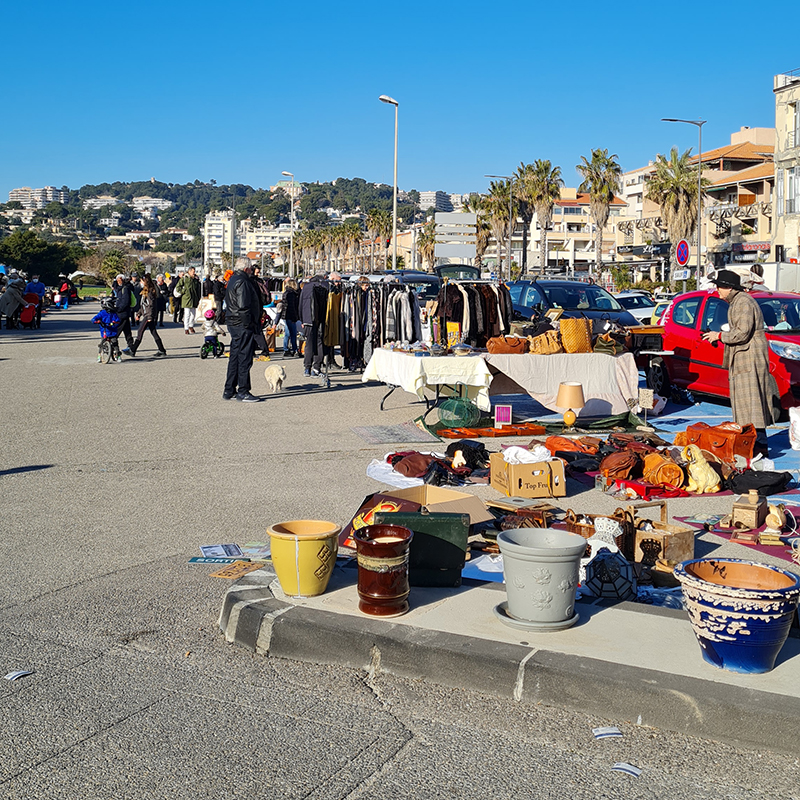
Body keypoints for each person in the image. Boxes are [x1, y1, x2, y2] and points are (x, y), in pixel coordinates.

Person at [702, 269, 776, 457]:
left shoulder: (743, 302)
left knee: (751, 406)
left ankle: (757, 449)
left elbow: (742, 332)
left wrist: (719, 335)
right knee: (749, 407)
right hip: (746, 356)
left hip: (749, 358)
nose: (717, 291)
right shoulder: (739, 301)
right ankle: (754, 448)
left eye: (719, 287)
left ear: (728, 287)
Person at [223, 257, 262, 402]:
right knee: (244, 357)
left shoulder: (234, 279)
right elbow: (243, 305)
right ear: (246, 268)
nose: (252, 271)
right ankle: (243, 390)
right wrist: (249, 324)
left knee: (235, 355)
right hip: (242, 323)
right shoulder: (242, 281)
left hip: (234, 321)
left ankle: (229, 389)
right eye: (251, 268)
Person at [127, 274, 167, 358]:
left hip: (149, 315)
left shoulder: (150, 292)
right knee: (153, 332)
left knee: (140, 331)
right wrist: (138, 314)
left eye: (142, 281)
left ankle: (133, 350)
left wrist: (149, 317)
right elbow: (143, 305)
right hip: (147, 314)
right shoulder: (145, 291)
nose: (140, 282)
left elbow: (151, 305)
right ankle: (162, 350)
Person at [300, 272, 329, 377]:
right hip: (320, 318)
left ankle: (307, 368)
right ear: (324, 277)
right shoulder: (325, 285)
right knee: (319, 342)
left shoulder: (306, 287)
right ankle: (316, 368)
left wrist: (302, 319)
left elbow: (301, 303)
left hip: (307, 319)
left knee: (309, 343)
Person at [91, 296, 122, 362]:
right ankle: (99, 356)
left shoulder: (113, 313)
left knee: (115, 343)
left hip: (112, 331)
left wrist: (115, 322)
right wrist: (96, 321)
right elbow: (94, 319)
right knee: (102, 344)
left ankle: (117, 355)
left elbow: (118, 320)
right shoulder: (102, 313)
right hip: (104, 331)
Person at [111, 274, 136, 351]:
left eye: (119, 280)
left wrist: (118, 309)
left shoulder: (125, 289)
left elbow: (125, 302)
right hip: (123, 313)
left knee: (117, 330)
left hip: (122, 313)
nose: (118, 282)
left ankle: (113, 345)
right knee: (127, 330)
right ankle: (131, 346)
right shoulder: (119, 288)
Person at [277, 278, 300, 356]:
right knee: (292, 333)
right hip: (290, 315)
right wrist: (294, 317)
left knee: (288, 333)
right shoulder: (291, 294)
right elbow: (291, 307)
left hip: (287, 315)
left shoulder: (287, 293)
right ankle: (292, 349)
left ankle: (287, 349)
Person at [176, 266, 201, 334]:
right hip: (186, 299)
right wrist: (183, 291)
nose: (194, 273)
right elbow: (178, 287)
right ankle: (186, 328)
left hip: (194, 299)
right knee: (187, 314)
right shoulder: (184, 279)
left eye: (194, 271)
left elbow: (198, 289)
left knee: (193, 314)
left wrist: (198, 298)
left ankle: (191, 326)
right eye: (193, 271)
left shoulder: (195, 280)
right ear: (189, 272)